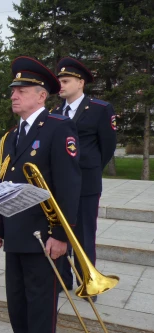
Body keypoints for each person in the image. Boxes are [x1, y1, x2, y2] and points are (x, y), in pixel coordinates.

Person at [0, 56, 81, 333]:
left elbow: (69, 187)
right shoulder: (10, 137)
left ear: (41, 95)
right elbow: (2, 183)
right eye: (13, 90)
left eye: (22, 90)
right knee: (17, 305)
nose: (14, 95)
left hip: (45, 238)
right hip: (16, 235)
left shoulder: (58, 128)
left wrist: (61, 235)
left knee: (41, 308)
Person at [53, 57, 117, 300]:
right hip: (60, 186)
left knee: (84, 235)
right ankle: (63, 280)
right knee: (61, 232)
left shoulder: (100, 109)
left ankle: (87, 283)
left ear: (80, 83)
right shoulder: (56, 112)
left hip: (86, 184)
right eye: (59, 80)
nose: (61, 84)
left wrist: (86, 171)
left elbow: (107, 147)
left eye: (66, 80)